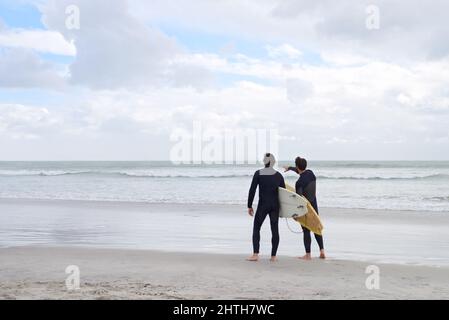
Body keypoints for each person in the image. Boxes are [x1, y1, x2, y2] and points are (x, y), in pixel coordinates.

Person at [284, 157, 326, 260]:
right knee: (316, 228)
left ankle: (308, 254)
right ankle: (322, 251)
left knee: (306, 230)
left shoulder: (299, 182)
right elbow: (300, 170)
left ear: (297, 166)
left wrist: (296, 214)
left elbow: (299, 200)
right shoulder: (311, 174)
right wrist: (290, 168)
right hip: (314, 207)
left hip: (306, 208)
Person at [247, 153, 286, 262]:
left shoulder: (258, 173)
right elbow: (284, 195)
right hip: (275, 206)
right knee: (275, 230)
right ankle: (273, 256)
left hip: (263, 205)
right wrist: (284, 210)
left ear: (264, 161)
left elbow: (252, 190)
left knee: (256, 228)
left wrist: (249, 205)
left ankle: (255, 254)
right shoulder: (279, 176)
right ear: (273, 162)